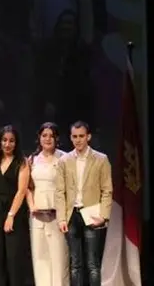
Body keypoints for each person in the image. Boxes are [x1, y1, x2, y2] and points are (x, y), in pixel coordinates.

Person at [56, 121, 112, 286]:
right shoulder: (64, 160)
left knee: (92, 264)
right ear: (71, 138)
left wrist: (103, 216)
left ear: (88, 137)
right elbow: (60, 192)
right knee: (75, 264)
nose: (78, 140)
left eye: (81, 136)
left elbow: (107, 190)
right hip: (71, 215)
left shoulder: (101, 159)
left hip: (91, 215)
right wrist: (61, 218)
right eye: (75, 136)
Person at [0, 125, 33, 286]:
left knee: (14, 257)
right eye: (4, 140)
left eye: (11, 141)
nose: (7, 144)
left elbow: (21, 191)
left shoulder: (22, 162)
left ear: (16, 143)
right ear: (0, 141)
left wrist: (11, 215)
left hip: (15, 213)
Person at [27, 122, 68, 286]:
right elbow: (28, 187)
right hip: (37, 216)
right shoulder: (32, 160)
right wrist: (32, 206)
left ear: (57, 138)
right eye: (44, 135)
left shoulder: (64, 158)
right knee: (40, 259)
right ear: (39, 138)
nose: (48, 139)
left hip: (57, 216)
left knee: (59, 259)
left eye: (51, 136)